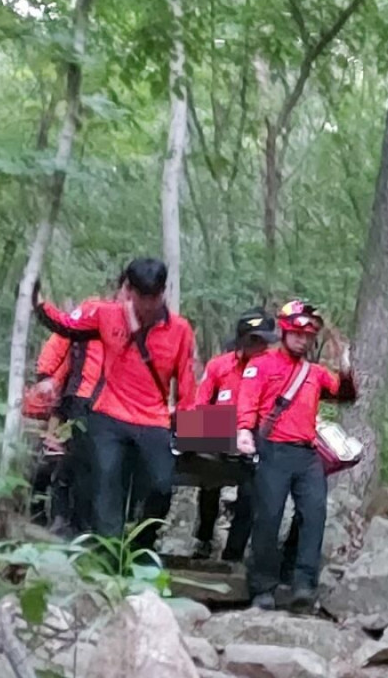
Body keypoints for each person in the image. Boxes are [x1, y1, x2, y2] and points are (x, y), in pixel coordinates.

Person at [33, 257, 197, 551]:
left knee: (161, 486)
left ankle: (142, 546)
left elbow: (186, 383)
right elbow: (65, 326)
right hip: (108, 415)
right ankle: (108, 555)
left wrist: (188, 428)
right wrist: (35, 298)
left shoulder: (181, 330)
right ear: (128, 290)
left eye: (155, 296)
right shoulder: (105, 315)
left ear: (163, 293)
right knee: (105, 482)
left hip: (153, 419)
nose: (148, 304)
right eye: (142, 296)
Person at [236, 300, 356, 612]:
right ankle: (262, 587)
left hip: (306, 453)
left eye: (308, 336)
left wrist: (345, 368)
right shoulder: (261, 365)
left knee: (314, 514)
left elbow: (344, 396)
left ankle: (303, 584)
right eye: (297, 334)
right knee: (268, 517)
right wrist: (244, 431)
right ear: (286, 332)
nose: (303, 340)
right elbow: (247, 402)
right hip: (273, 449)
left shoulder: (315, 373)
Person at [189, 307, 279, 561]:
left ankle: (233, 553)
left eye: (264, 340)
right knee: (209, 481)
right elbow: (200, 405)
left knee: (251, 493)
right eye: (255, 340)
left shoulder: (274, 368)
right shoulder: (219, 366)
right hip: (219, 433)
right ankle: (204, 538)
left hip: (258, 436)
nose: (261, 346)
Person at [31, 306, 105, 536]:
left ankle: (75, 523)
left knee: (80, 463)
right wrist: (47, 378)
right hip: (73, 399)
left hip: (97, 403)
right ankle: (52, 517)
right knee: (58, 458)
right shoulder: (91, 316)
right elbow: (60, 350)